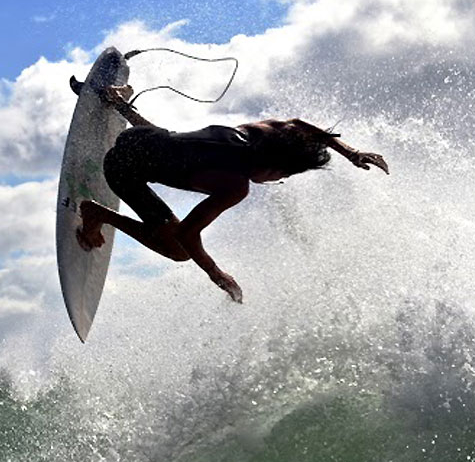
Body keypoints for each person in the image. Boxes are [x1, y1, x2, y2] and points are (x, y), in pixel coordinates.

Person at [76, 85, 389, 303]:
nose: (276, 180)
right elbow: (187, 234)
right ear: (274, 167)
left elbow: (297, 126)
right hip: (120, 169)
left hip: (137, 137)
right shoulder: (235, 186)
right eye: (282, 174)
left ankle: (118, 103)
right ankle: (99, 214)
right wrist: (217, 274)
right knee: (179, 251)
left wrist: (350, 152)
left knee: (171, 145)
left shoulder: (256, 132)